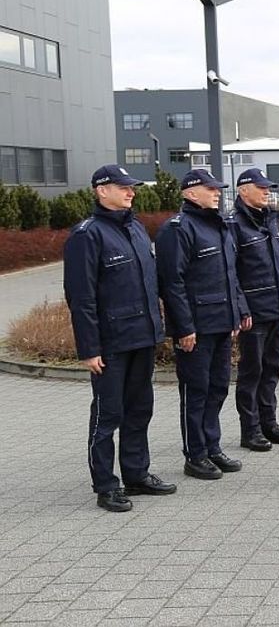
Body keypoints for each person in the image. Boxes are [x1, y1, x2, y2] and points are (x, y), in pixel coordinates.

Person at [63, 165, 176, 512]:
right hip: (111, 343)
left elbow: (150, 285)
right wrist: (89, 348)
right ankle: (106, 485)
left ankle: (136, 474)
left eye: (132, 188)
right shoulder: (87, 235)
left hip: (141, 337)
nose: (131, 192)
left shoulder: (137, 230)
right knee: (107, 414)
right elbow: (81, 298)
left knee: (139, 410)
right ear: (101, 191)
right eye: (123, 187)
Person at [156, 169, 250, 480]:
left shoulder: (218, 226)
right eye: (211, 189)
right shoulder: (178, 229)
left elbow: (231, 275)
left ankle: (212, 446)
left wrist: (237, 312)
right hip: (196, 328)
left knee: (217, 388)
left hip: (221, 324)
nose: (218, 193)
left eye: (218, 189)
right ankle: (194, 455)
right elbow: (172, 283)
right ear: (191, 192)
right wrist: (183, 328)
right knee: (195, 392)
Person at [231, 168, 279, 452]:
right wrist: (240, 308)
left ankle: (268, 422)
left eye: (268, 188)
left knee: (272, 368)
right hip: (254, 312)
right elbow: (231, 273)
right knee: (252, 371)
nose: (266, 192)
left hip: (277, 307)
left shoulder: (270, 221)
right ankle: (249, 430)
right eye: (260, 187)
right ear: (243, 190)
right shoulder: (234, 225)